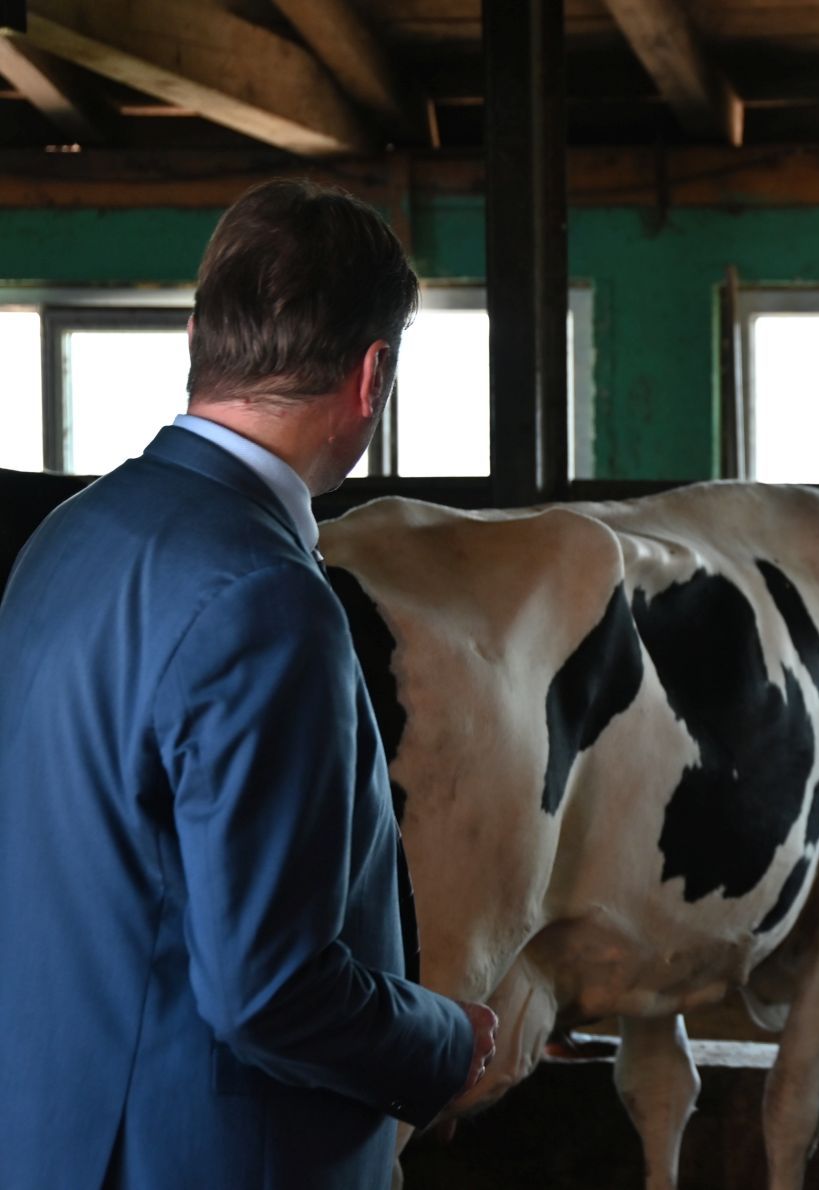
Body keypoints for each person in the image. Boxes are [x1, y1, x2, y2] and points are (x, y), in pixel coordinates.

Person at [0, 180, 498, 1189]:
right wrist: (445, 1043)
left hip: (53, 1134)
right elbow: (269, 988)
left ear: (198, 335)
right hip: (208, 1156)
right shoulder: (265, 597)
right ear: (372, 376)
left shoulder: (70, 537)